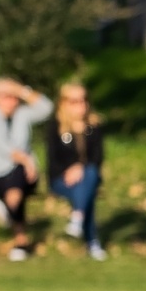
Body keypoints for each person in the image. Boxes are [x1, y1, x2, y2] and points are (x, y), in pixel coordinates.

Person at [0, 78, 52, 262]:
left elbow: (46, 108)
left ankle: (10, 212)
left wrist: (21, 90)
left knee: (16, 184)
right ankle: (21, 240)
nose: (10, 101)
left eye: (13, 97)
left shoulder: (23, 114)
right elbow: (2, 146)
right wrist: (27, 160)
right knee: (15, 184)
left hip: (19, 174)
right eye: (5, 96)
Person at [45, 82, 109, 261]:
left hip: (88, 178)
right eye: (74, 101)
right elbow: (53, 161)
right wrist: (70, 171)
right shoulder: (55, 127)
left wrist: (80, 168)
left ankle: (77, 217)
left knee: (88, 175)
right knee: (86, 190)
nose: (81, 105)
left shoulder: (94, 127)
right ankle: (92, 240)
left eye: (83, 100)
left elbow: (98, 158)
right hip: (62, 181)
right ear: (64, 103)